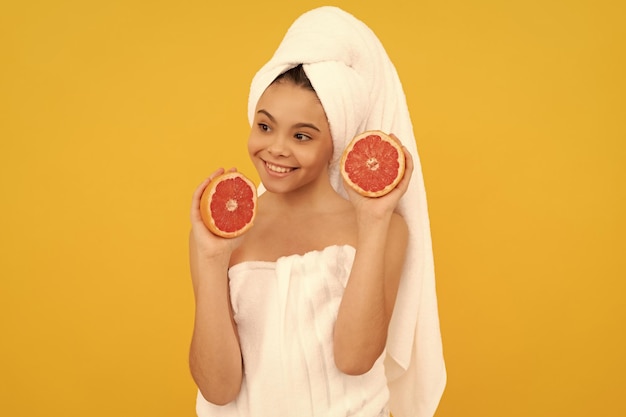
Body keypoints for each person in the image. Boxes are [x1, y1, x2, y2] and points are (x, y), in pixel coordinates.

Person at [188, 6, 446, 417]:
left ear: (336, 142)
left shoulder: (385, 229)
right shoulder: (225, 231)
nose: (276, 149)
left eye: (302, 135)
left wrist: (374, 222)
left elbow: (354, 359)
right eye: (265, 126)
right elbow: (218, 389)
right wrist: (210, 258)